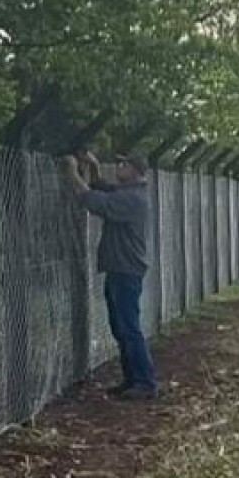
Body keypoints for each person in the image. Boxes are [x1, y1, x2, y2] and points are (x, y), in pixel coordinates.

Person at [63, 150, 157, 399]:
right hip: (119, 268)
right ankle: (132, 380)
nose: (118, 166)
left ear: (135, 169)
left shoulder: (133, 199)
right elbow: (103, 188)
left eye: (123, 163)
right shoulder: (128, 193)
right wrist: (93, 168)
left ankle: (145, 382)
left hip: (126, 270)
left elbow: (94, 201)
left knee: (129, 327)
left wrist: (71, 172)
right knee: (120, 327)